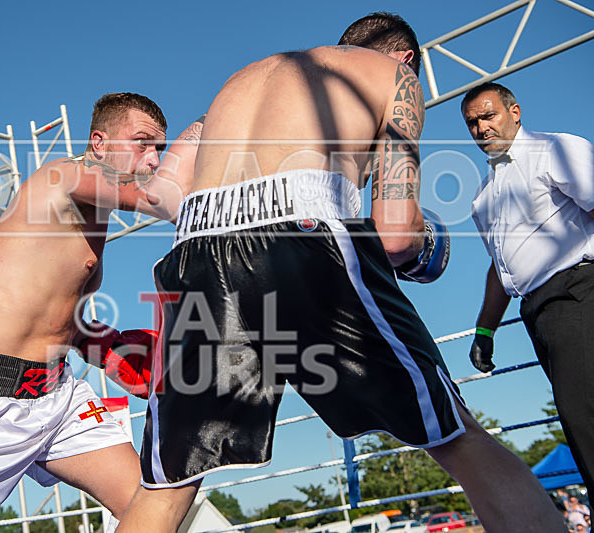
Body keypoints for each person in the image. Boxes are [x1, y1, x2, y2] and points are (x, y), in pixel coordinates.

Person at [116, 13, 564, 533]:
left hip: (196, 250)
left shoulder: (234, 88)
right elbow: (393, 235)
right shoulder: (391, 77)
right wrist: (426, 247)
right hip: (305, 235)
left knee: (169, 482)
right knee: (455, 434)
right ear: (407, 60)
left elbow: (162, 194)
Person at [0, 92, 201, 532]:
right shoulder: (62, 177)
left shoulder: (96, 214)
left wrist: (109, 349)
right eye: (142, 143)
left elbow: (52, 316)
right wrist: (211, 125)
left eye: (161, 148)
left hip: (56, 394)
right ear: (100, 142)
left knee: (151, 505)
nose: (153, 159)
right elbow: (163, 199)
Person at [462, 81, 594, 495]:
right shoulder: (483, 198)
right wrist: (485, 330)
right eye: (472, 123)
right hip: (538, 314)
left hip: (579, 293)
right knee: (579, 426)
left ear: (514, 112)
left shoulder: (554, 150)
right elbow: (501, 268)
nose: (482, 128)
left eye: (489, 116)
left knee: (587, 418)